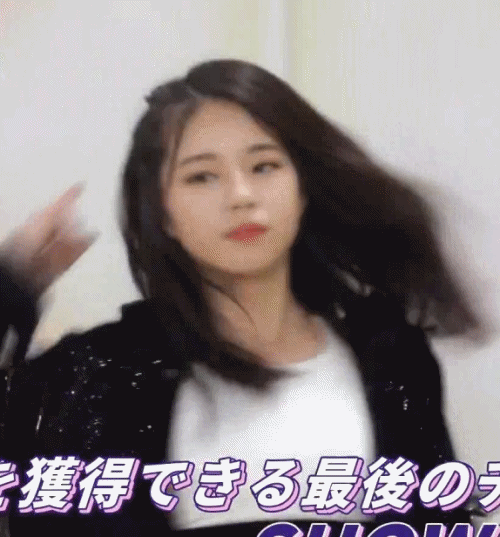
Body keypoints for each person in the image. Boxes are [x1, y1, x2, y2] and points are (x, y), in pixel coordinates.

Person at [0, 59, 486, 536]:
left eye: (264, 166)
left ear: (302, 190)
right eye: (201, 176)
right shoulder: (99, 374)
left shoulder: (394, 362)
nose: (240, 195)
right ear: (163, 212)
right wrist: (13, 284)